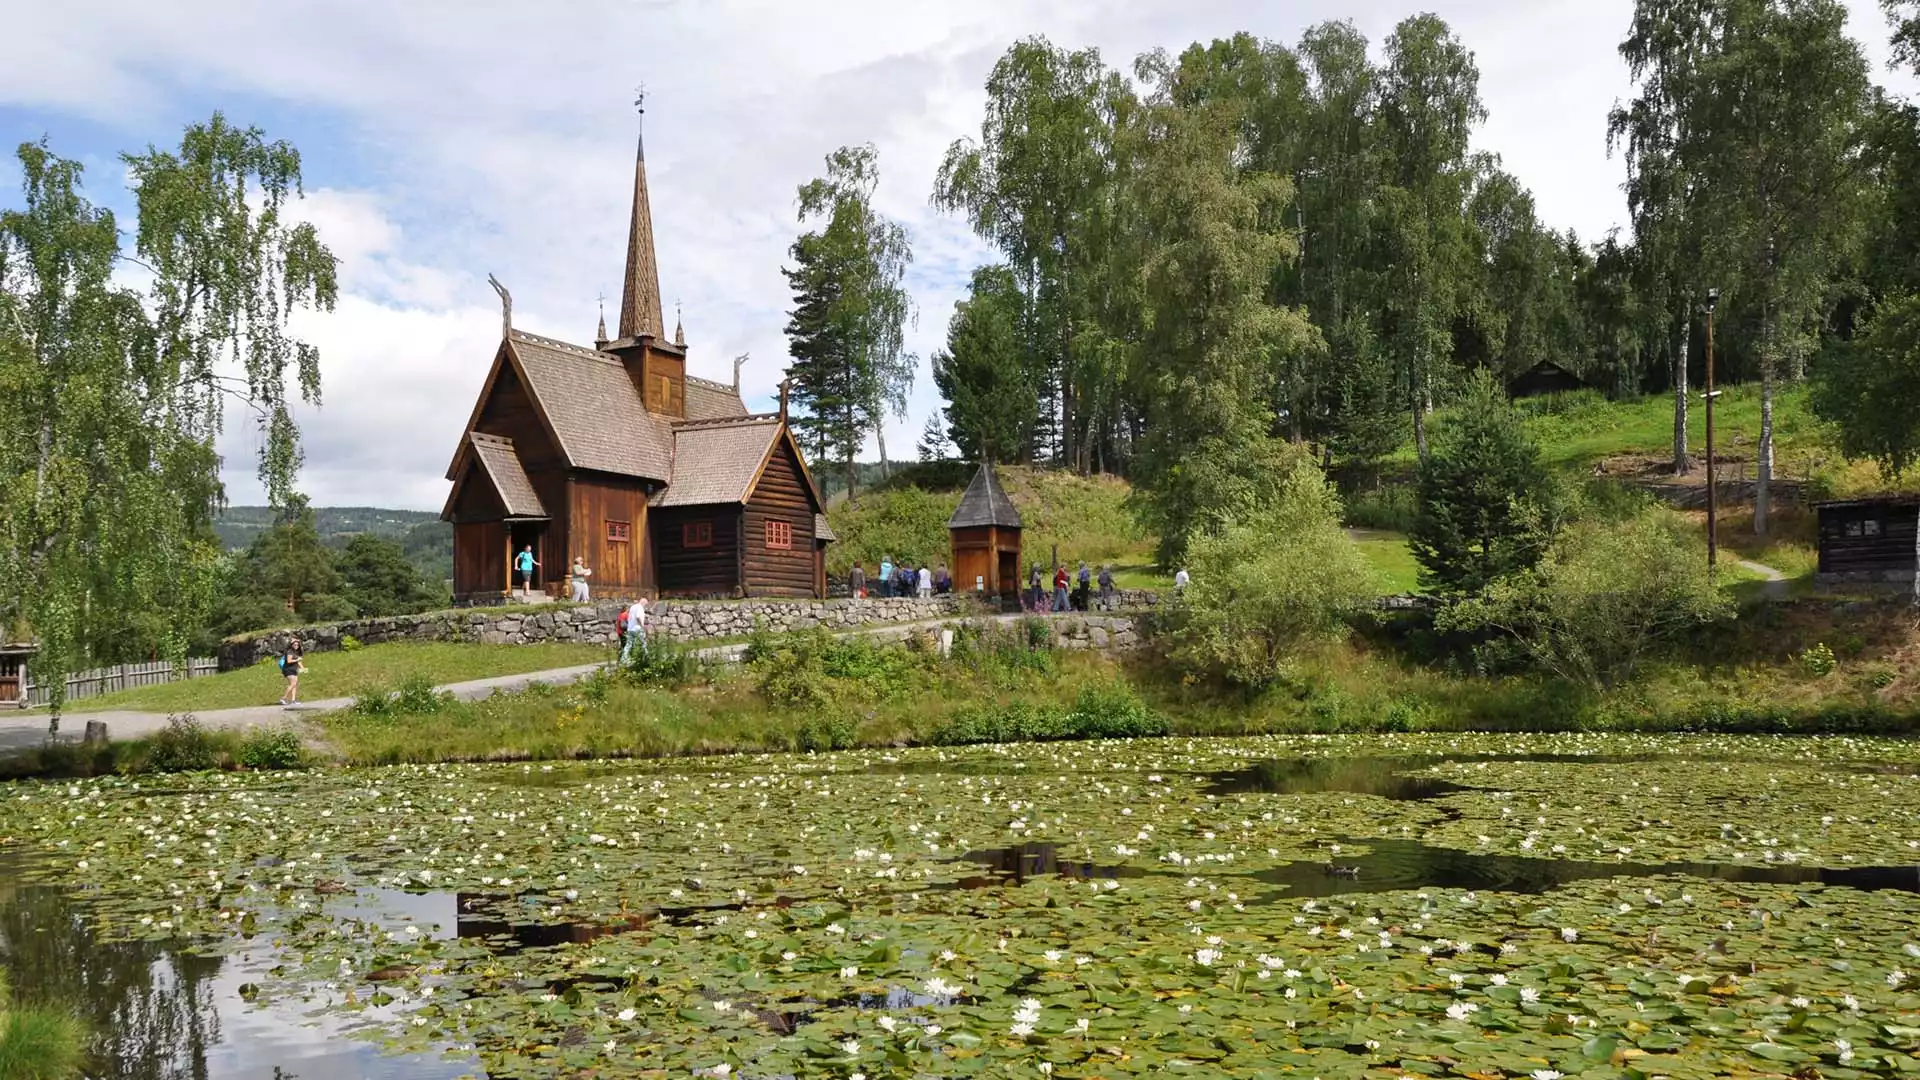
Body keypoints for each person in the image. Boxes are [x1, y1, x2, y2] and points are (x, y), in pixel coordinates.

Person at [620, 595, 649, 664]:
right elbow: (638, 617)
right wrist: (642, 626)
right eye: (645, 604)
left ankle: (623, 659)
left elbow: (629, 617)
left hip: (630, 628)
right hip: (637, 628)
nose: (645, 606)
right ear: (643, 602)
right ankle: (646, 657)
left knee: (628, 644)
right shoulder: (640, 607)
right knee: (642, 643)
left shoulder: (633, 607)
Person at [276, 637, 303, 706]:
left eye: (297, 645)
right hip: (288, 669)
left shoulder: (296, 652)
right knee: (292, 684)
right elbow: (289, 661)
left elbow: (298, 661)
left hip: (294, 669)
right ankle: (283, 698)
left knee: (295, 684)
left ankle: (293, 700)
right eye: (295, 644)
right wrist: (297, 660)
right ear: (291, 645)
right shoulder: (290, 652)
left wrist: (303, 668)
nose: (296, 646)